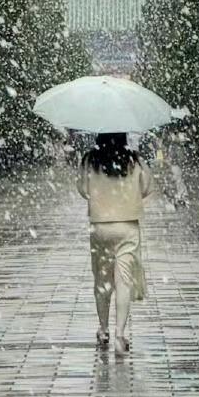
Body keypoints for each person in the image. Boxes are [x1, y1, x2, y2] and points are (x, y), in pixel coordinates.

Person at [77, 132, 152, 355]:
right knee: (124, 281)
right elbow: (147, 187)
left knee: (102, 280)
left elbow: (83, 190)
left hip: (100, 225)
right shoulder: (134, 159)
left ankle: (103, 329)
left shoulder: (90, 159)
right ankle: (120, 335)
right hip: (127, 225)